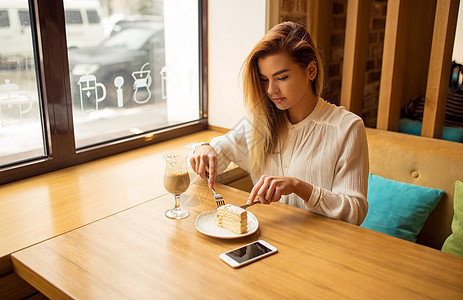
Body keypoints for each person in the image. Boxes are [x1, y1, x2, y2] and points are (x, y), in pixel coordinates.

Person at [190, 22, 369, 225]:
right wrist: (204, 149)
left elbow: (355, 211)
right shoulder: (260, 123)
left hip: (320, 249)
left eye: (281, 77)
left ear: (311, 71)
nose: (271, 90)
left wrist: (298, 186)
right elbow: (217, 154)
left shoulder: (347, 128)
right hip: (267, 239)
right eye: (264, 79)